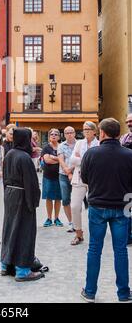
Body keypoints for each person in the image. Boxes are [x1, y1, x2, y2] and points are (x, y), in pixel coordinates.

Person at [80, 118, 132, 303]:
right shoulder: (129, 154)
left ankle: (90, 292)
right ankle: (124, 293)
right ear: (118, 133)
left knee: (94, 249)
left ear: (101, 133)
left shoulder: (91, 153)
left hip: (97, 206)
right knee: (121, 251)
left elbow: (84, 178)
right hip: (122, 206)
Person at [1, 128, 44, 282]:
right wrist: (33, 201)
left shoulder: (9, 154)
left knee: (10, 228)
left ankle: (6, 264)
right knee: (25, 231)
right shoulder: (24, 157)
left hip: (10, 195)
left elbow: (4, 178)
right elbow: (31, 182)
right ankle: (23, 270)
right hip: (22, 196)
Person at [70, 121, 99, 246]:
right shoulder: (79, 143)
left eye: (88, 129)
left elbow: (99, 162)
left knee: (95, 207)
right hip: (79, 177)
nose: (86, 131)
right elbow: (72, 160)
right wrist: (87, 159)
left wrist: (81, 159)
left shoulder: (99, 144)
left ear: (94, 131)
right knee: (75, 206)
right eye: (84, 129)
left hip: (95, 179)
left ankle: (96, 234)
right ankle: (78, 233)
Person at [41, 129, 63, 227]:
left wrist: (53, 157)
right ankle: (49, 218)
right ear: (49, 136)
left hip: (60, 176)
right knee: (49, 198)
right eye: (51, 134)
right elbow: (47, 160)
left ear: (59, 137)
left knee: (58, 198)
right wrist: (59, 159)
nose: (53, 135)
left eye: (56, 134)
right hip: (48, 176)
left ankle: (57, 218)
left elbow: (66, 159)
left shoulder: (62, 147)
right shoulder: (46, 147)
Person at [58, 127, 77, 232]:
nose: (69, 134)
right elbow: (61, 160)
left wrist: (71, 172)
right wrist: (68, 172)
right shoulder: (61, 146)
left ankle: (76, 221)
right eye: (67, 133)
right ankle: (70, 222)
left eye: (71, 132)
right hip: (63, 175)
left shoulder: (79, 144)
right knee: (65, 199)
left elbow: (80, 159)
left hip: (77, 175)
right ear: (64, 135)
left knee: (75, 200)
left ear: (74, 133)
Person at [120, 114, 132, 245]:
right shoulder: (124, 138)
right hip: (126, 181)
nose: (129, 123)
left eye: (131, 121)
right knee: (127, 209)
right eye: (128, 121)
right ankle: (128, 236)